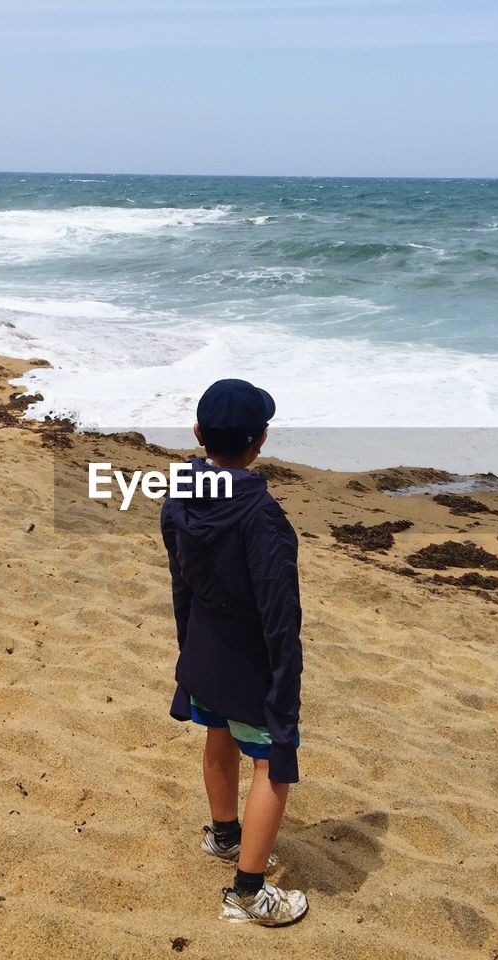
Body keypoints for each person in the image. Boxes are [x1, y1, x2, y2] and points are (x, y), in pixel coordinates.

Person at [160, 378, 308, 926]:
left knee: (218, 733)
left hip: (204, 648)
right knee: (274, 761)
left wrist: (187, 650)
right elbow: (279, 611)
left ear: (199, 433)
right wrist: (284, 685)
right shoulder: (260, 515)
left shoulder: (180, 495)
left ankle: (225, 835)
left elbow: (182, 582)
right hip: (249, 660)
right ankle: (248, 891)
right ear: (261, 440)